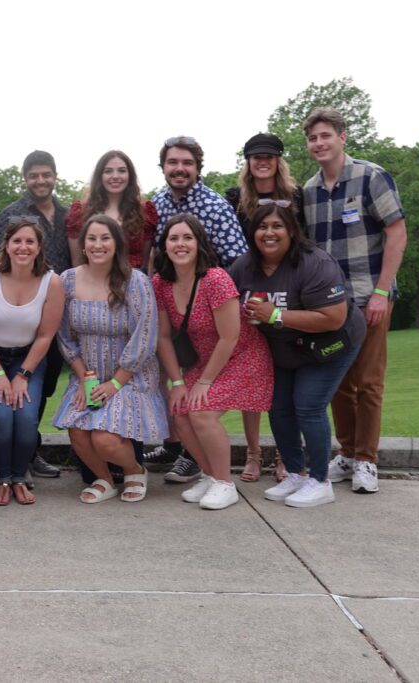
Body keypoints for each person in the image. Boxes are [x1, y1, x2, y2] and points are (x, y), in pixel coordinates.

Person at [229, 203, 365, 508]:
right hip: (285, 347)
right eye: (262, 227)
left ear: (291, 230)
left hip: (330, 343)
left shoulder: (314, 263)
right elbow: (225, 301)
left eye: (277, 226)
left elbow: (333, 317)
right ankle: (295, 473)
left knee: (308, 406)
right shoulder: (243, 266)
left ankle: (320, 481)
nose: (269, 233)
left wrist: (275, 314)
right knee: (278, 408)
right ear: (252, 234)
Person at [302, 107, 408, 495]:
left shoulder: (371, 177)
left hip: (370, 297)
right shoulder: (309, 191)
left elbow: (396, 234)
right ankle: (346, 454)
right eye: (313, 138)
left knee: (368, 382)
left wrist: (382, 291)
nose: (319, 144)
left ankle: (367, 460)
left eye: (326, 135)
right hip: (331, 305)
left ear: (342, 137)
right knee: (338, 382)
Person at [153, 214, 273, 510]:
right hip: (205, 361)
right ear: (164, 245)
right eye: (173, 238)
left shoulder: (215, 279)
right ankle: (209, 475)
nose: (180, 244)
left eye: (187, 238)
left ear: (199, 243)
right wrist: (178, 382)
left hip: (243, 356)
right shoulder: (161, 283)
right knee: (180, 412)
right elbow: (163, 338)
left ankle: (225, 484)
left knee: (202, 413)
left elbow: (229, 337)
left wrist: (204, 382)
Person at [146, 136, 249, 483]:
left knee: (199, 394)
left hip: (211, 313)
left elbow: (236, 261)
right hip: (172, 307)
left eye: (186, 163)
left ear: (197, 168)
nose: (179, 169)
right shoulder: (156, 204)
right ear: (163, 167)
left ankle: (200, 462)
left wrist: (215, 301)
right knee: (172, 384)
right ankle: (177, 447)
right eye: (173, 162)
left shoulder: (215, 206)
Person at [53, 215, 168, 504]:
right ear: (83, 244)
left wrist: (116, 382)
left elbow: (145, 337)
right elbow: (64, 335)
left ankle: (134, 470)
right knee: (78, 431)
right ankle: (104, 480)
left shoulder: (136, 282)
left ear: (117, 244)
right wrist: (84, 378)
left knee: (104, 437)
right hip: (88, 374)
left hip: (130, 375)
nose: (98, 244)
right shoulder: (67, 280)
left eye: (105, 238)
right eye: (91, 238)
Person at [224, 132, 304, 482]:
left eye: (269, 156)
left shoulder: (296, 197)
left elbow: (305, 241)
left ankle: (287, 454)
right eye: (256, 156)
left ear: (277, 160)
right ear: (248, 162)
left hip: (288, 286)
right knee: (252, 377)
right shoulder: (235, 198)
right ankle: (254, 453)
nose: (262, 161)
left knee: (291, 379)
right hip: (251, 287)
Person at [0, 150, 71, 479]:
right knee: (13, 391)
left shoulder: (69, 215)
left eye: (46, 174)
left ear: (54, 176)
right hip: (17, 314)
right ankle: (25, 453)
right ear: (25, 178)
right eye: (34, 175)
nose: (41, 180)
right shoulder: (12, 214)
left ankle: (29, 447)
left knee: (46, 383)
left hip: (57, 313)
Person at [0, 218, 63, 505]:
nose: (23, 247)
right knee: (0, 416)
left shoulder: (52, 281)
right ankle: (2, 479)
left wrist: (22, 375)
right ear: (7, 245)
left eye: (30, 242)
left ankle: (19, 478)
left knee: (24, 417)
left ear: (38, 247)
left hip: (28, 358)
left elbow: (46, 336)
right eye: (17, 241)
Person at [66, 149, 158, 270]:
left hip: (132, 283)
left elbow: (146, 262)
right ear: (100, 176)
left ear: (130, 175)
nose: (115, 176)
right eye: (108, 171)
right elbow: (77, 262)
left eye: (122, 171)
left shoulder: (144, 211)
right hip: (93, 283)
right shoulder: (81, 212)